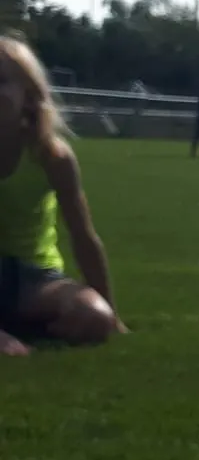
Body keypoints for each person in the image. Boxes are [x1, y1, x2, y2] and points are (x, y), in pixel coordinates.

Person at [0, 33, 122, 354]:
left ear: (29, 95)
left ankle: (18, 324)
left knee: (95, 318)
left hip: (36, 278)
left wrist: (111, 313)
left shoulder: (51, 156)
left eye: (1, 81)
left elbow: (83, 236)